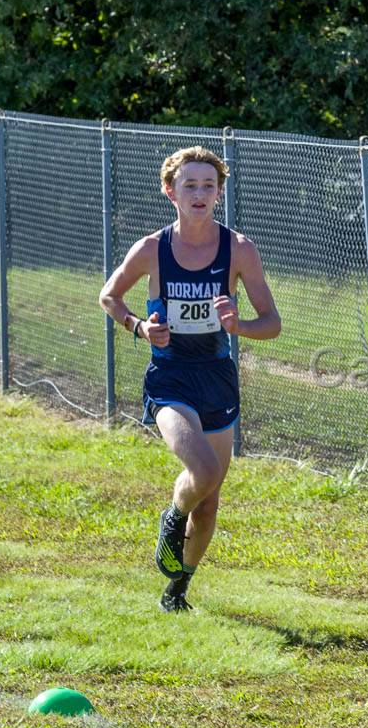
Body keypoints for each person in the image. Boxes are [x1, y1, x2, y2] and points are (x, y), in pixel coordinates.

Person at [99, 146, 280, 612]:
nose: (199, 193)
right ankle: (171, 518)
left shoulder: (238, 249)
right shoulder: (152, 249)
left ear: (219, 192)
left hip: (217, 377)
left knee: (210, 502)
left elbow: (272, 323)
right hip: (171, 378)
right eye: (189, 185)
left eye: (207, 185)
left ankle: (179, 587)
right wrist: (138, 326)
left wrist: (239, 325)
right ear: (170, 191)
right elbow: (109, 296)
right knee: (203, 471)